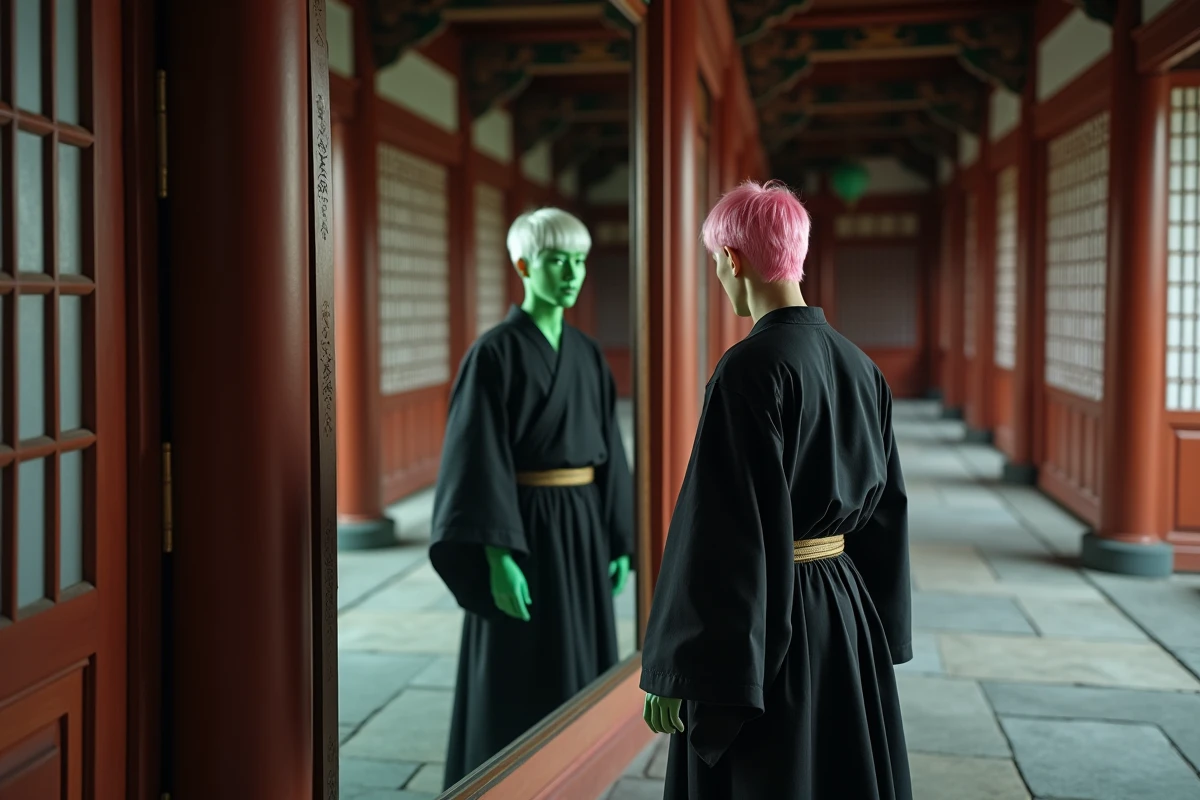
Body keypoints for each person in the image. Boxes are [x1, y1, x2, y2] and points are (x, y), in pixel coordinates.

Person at [640, 180, 913, 799]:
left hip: (773, 617)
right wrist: (880, 632)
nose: (719, 274)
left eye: (716, 262)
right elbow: (887, 513)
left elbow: (720, 531)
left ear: (733, 260)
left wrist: (678, 665)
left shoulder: (750, 368)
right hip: (844, 609)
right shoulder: (859, 365)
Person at [429, 207, 634, 791]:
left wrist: (618, 538)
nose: (571, 274)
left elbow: (609, 455)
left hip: (582, 526)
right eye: (556, 261)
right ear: (523, 265)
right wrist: (496, 556)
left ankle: (575, 774)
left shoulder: (588, 354)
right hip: (520, 527)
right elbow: (475, 461)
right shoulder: (492, 355)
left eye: (579, 262)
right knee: (515, 666)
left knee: (579, 658)